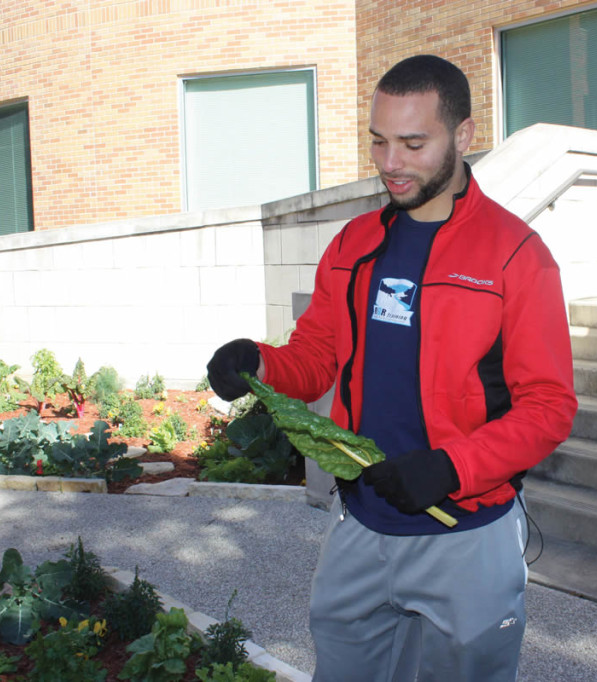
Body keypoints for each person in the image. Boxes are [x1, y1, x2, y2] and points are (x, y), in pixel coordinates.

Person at [207, 54, 577, 681]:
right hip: (360, 525)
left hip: (466, 532)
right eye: (378, 141)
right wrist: (259, 364)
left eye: (412, 143)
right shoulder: (352, 244)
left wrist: (450, 467)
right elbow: (317, 359)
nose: (390, 163)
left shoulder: (517, 255)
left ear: (462, 137)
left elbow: (549, 407)